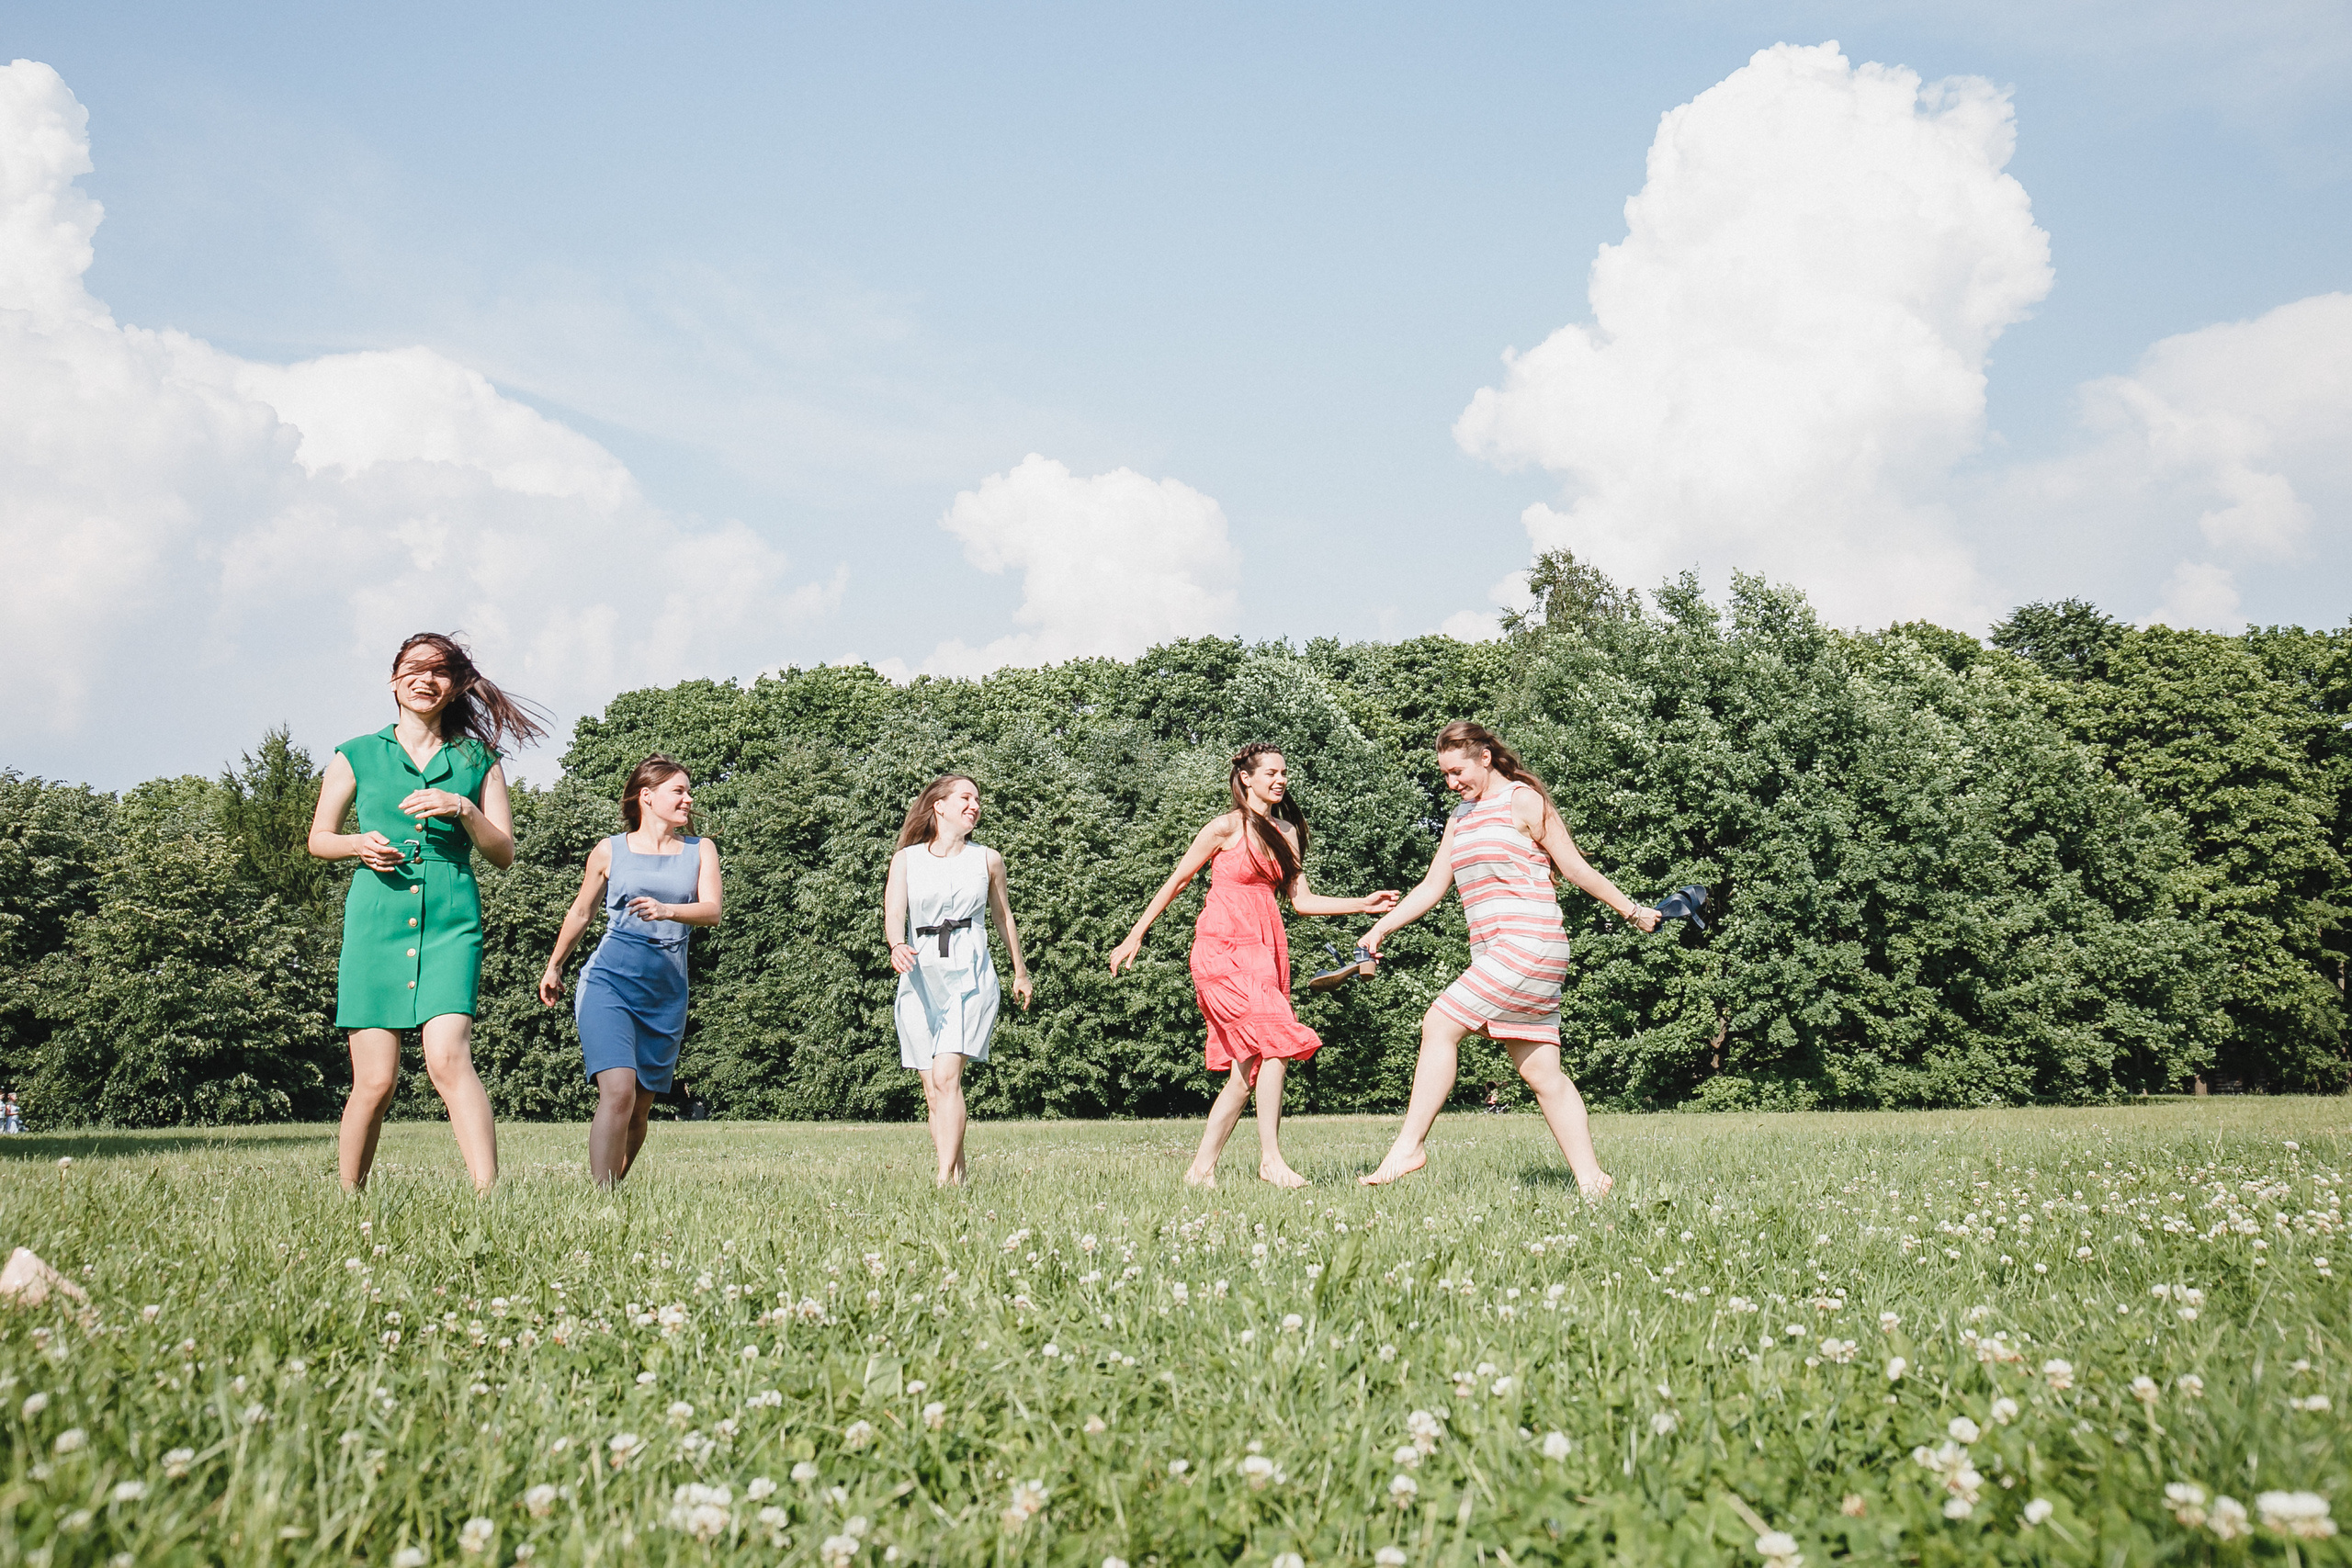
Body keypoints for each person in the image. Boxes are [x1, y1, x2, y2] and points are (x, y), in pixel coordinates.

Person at [1355, 721, 1658, 1194]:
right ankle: (1593, 1179)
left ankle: (1408, 1147)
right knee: (1542, 1072)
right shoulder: (1460, 818)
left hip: (1531, 941)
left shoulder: (1522, 800)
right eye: (1445, 775)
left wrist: (1632, 910)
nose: (1453, 782)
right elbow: (1433, 888)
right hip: (1496, 951)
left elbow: (1574, 866)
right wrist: (1380, 928)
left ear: (1484, 757)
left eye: (1458, 771)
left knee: (1439, 1024)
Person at [307, 633, 544, 1192]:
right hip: (375, 919)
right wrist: (359, 843)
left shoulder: (478, 759)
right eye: (413, 669)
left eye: (439, 672)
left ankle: (490, 1198)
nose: (425, 680)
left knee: (448, 1058)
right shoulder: (355, 753)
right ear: (393, 681)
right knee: (376, 1081)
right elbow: (319, 838)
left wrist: (462, 808)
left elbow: (504, 852)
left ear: (456, 685)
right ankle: (348, 1199)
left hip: (450, 919)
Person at [1108, 743, 1399, 1188]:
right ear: (1246, 778)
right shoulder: (1225, 827)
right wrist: (1136, 933)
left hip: (1267, 951)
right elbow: (1179, 879)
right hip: (1220, 949)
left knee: (1247, 1073)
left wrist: (1362, 904)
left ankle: (1199, 1171)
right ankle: (1271, 1160)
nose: (1280, 780)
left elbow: (1301, 902)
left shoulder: (1288, 832)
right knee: (1278, 1041)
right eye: (1270, 773)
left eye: (1284, 773)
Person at [538, 755, 723, 1186]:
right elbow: (582, 912)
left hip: (666, 992)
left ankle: (613, 1187)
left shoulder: (701, 850)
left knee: (640, 1106)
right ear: (647, 796)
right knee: (618, 1090)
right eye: (678, 790)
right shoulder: (610, 849)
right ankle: (601, 1198)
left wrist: (667, 910)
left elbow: (712, 911)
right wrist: (554, 966)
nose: (688, 799)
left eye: (687, 790)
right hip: (609, 983)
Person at [883, 776, 1032, 1185]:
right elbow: (895, 913)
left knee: (948, 1078)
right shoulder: (907, 860)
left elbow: (1003, 917)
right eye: (966, 798)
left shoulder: (988, 859)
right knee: (934, 1090)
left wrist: (1021, 972)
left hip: (970, 975)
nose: (975, 805)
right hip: (918, 977)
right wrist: (897, 944)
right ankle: (960, 1178)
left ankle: (943, 1181)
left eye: (978, 800)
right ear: (939, 806)